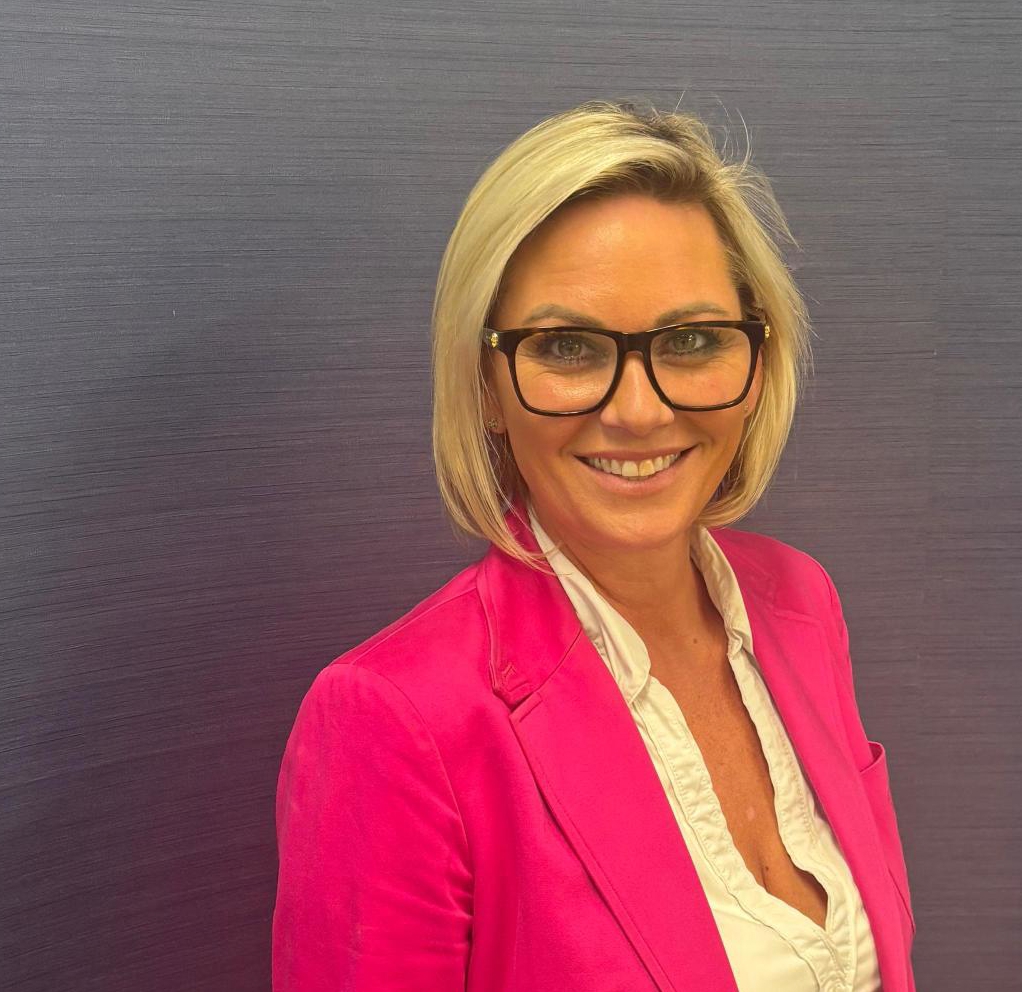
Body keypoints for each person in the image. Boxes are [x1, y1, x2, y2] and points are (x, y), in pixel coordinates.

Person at [273, 98, 916, 992]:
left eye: (691, 340)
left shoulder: (800, 602)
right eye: (570, 347)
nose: (639, 411)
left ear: (757, 363)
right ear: (487, 386)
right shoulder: (396, 720)